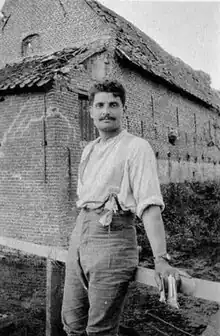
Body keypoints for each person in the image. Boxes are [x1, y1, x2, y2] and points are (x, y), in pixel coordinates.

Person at [61, 80, 180, 336]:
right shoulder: (89, 150)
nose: (106, 111)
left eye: (113, 105)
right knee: (71, 324)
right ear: (91, 111)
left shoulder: (136, 147)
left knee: (99, 331)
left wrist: (161, 259)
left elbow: (149, 205)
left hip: (112, 239)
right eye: (100, 105)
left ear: (122, 109)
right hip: (80, 236)